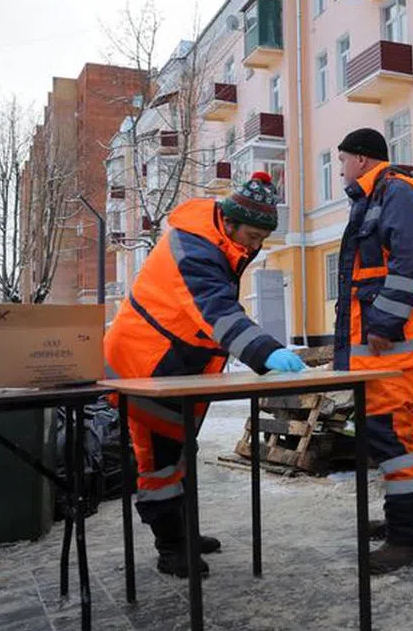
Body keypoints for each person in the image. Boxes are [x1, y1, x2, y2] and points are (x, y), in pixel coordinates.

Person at [104, 172, 306, 578]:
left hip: (175, 369)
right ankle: (172, 549)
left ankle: (183, 532)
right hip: (145, 367)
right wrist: (268, 352)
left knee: (179, 453)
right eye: (252, 235)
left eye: (262, 237)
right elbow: (216, 311)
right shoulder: (194, 248)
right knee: (158, 460)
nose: (256, 246)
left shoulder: (218, 240)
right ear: (230, 222)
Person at [333, 127, 413, 574]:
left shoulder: (395, 193)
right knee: (399, 435)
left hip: (389, 345)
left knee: (392, 438)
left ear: (361, 159)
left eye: (342, 160)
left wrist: (383, 322)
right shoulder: (376, 196)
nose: (340, 169)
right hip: (382, 348)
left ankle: (411, 538)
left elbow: (406, 265)